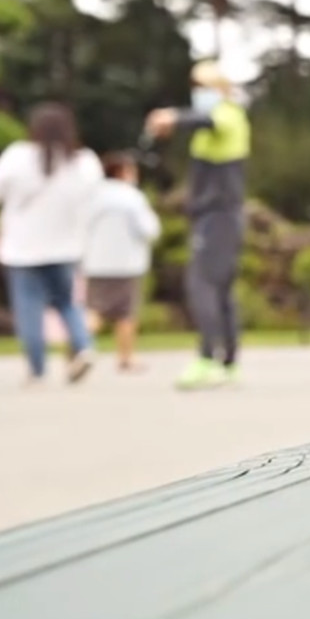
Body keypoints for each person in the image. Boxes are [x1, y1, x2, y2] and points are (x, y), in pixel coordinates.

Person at [144, 60, 250, 389]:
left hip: (218, 215)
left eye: (203, 87)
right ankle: (228, 361)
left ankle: (207, 357)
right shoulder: (219, 123)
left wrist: (172, 116)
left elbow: (206, 119)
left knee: (202, 284)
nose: (198, 93)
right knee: (221, 288)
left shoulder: (228, 114)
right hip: (218, 215)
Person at [0, 102, 103, 384]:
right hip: (66, 246)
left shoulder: (18, 156)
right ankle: (83, 346)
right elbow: (93, 198)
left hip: (22, 249)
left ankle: (36, 367)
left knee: (29, 308)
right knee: (68, 303)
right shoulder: (84, 161)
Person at [82, 152, 161, 372]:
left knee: (95, 309)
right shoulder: (132, 197)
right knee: (126, 313)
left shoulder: (93, 196)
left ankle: (79, 345)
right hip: (127, 264)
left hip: (96, 263)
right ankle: (126, 357)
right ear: (122, 172)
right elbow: (149, 229)